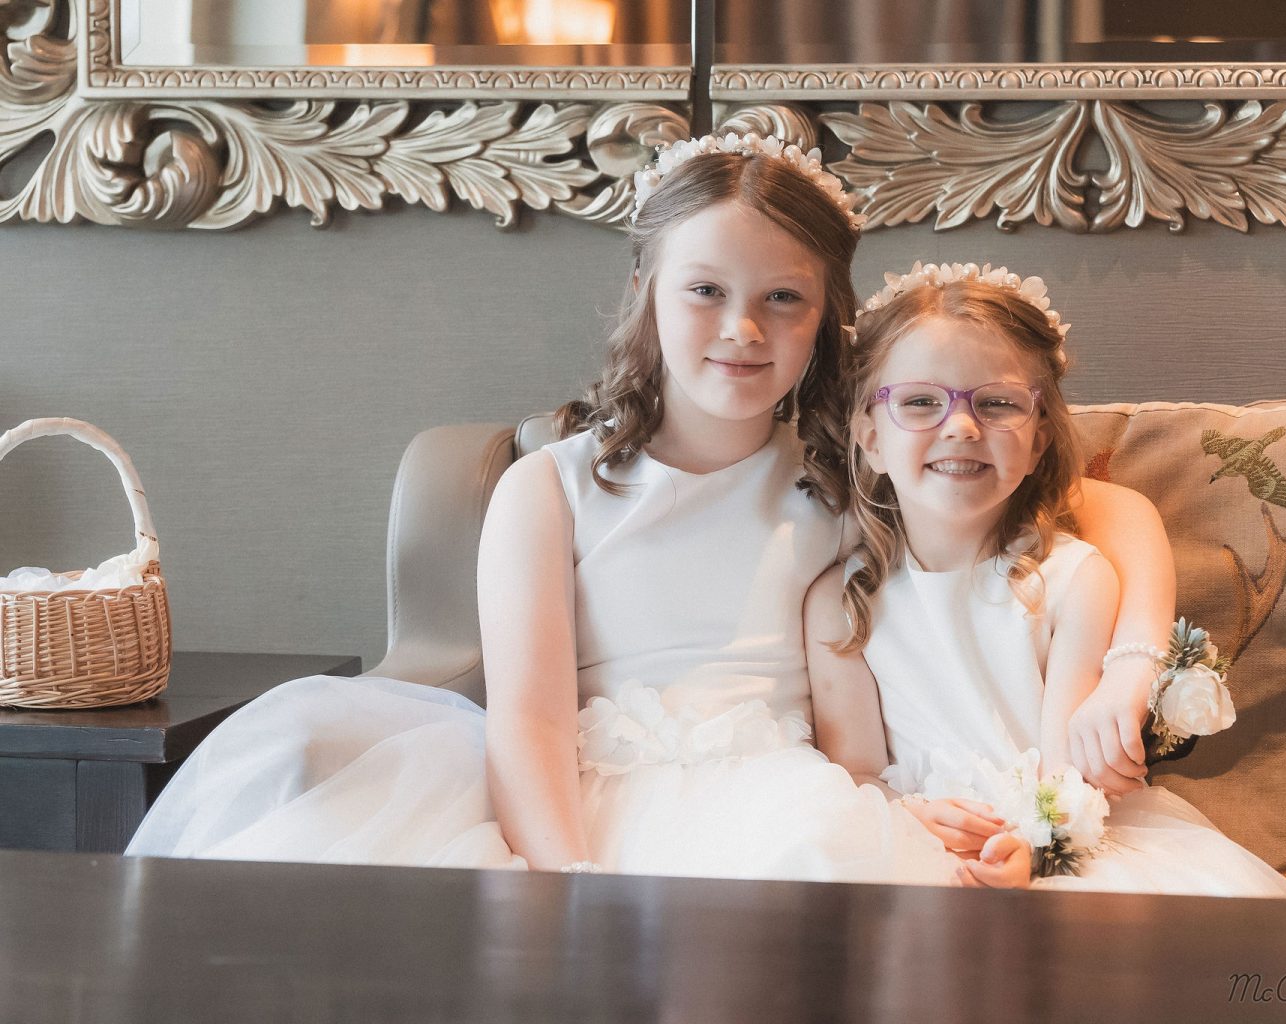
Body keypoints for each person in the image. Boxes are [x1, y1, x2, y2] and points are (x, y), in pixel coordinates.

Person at [126, 136, 1171, 879]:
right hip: (578, 798)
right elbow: (530, 721)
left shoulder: (850, 476)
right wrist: (567, 885)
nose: (743, 330)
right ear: (647, 293)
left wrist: (1130, 664)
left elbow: (1105, 510)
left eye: (783, 299)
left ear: (826, 321)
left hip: (785, 790)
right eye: (706, 291)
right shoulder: (553, 491)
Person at [804, 261, 1286, 896]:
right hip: (909, 840)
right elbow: (856, 773)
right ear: (870, 437)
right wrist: (908, 814)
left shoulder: (1074, 579)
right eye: (922, 402)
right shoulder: (838, 600)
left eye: (997, 403)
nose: (960, 425)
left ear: (1039, 440)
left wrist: (1031, 850)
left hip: (1057, 844)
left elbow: (1069, 773)